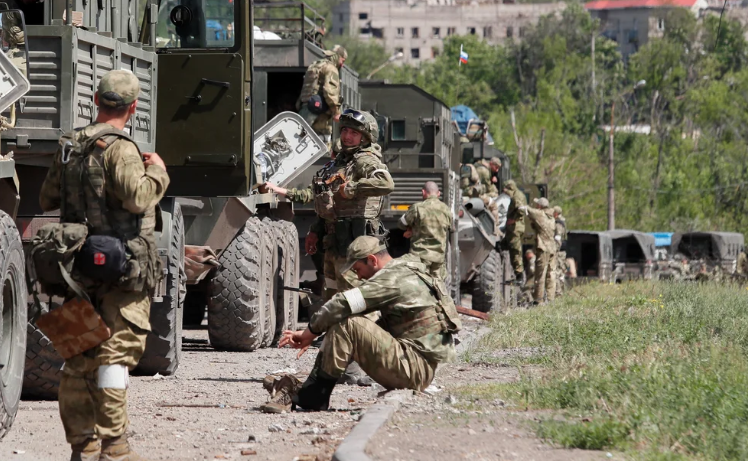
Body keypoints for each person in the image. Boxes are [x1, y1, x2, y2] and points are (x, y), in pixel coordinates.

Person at [39, 70, 169, 461]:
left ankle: (83, 447)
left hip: (75, 267)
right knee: (114, 358)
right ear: (132, 108)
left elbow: (47, 198)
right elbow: (136, 198)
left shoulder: (68, 145)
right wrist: (159, 171)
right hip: (122, 270)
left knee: (77, 358)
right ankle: (115, 449)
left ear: (97, 101)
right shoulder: (121, 147)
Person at [259, 236, 461, 413]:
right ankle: (312, 391)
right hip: (419, 365)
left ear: (372, 260)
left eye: (359, 269)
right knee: (346, 323)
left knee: (347, 324)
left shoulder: (389, 279)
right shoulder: (406, 269)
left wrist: (309, 333)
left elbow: (342, 303)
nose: (359, 277)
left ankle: (313, 396)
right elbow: (375, 323)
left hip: (413, 369)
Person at [264, 109, 394, 300]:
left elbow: (386, 182)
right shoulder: (339, 162)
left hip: (354, 244)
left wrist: (352, 188)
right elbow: (321, 196)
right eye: (345, 131)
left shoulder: (365, 159)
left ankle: (356, 329)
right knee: (332, 296)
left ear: (365, 138)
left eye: (354, 133)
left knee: (352, 296)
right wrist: (315, 230)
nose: (347, 137)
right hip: (333, 241)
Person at [398, 181, 453, 279]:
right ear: (438, 193)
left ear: (423, 192)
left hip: (420, 258)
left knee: (420, 287)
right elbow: (452, 228)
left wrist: (411, 228)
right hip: (438, 259)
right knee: (438, 288)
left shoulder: (417, 208)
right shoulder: (446, 210)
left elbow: (402, 223)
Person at [297, 44, 347, 147]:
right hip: (319, 113)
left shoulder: (315, 65)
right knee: (320, 144)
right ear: (337, 57)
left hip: (306, 109)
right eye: (342, 61)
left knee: (300, 139)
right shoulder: (331, 68)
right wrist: (336, 112)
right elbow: (330, 91)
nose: (342, 65)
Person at [519, 198, 556, 304]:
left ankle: (538, 301)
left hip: (543, 248)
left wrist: (522, 207)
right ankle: (550, 299)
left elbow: (527, 209)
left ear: (540, 206)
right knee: (551, 275)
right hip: (552, 248)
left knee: (540, 275)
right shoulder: (551, 217)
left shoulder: (540, 214)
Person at [503, 180, 527, 284]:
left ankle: (520, 275)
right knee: (509, 246)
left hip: (515, 227)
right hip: (515, 227)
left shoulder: (517, 197)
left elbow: (521, 210)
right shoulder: (518, 194)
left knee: (515, 250)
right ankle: (519, 274)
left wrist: (515, 219)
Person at [553, 206, 567, 297]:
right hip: (561, 252)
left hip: (559, 252)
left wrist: (554, 250)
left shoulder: (558, 224)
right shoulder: (561, 222)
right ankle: (560, 293)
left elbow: (558, 239)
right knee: (560, 273)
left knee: (557, 273)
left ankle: (558, 293)